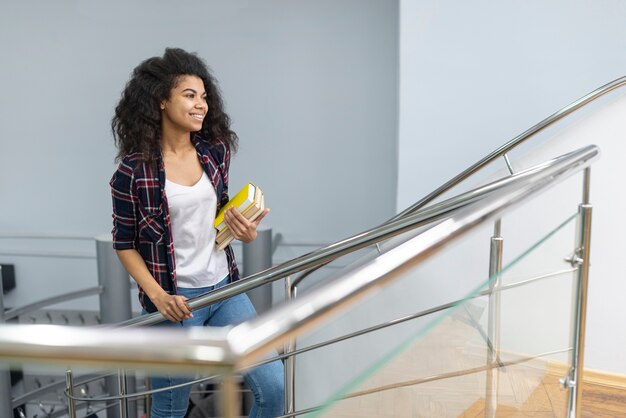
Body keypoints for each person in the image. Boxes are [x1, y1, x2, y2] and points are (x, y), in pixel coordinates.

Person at [109, 47, 284, 418]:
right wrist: (158, 297)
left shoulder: (215, 151)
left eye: (203, 97)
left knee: (273, 386)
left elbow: (216, 214)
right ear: (160, 101)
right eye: (189, 95)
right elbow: (124, 244)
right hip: (175, 303)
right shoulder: (131, 172)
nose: (200, 105)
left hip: (224, 289)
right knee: (170, 408)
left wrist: (244, 231)